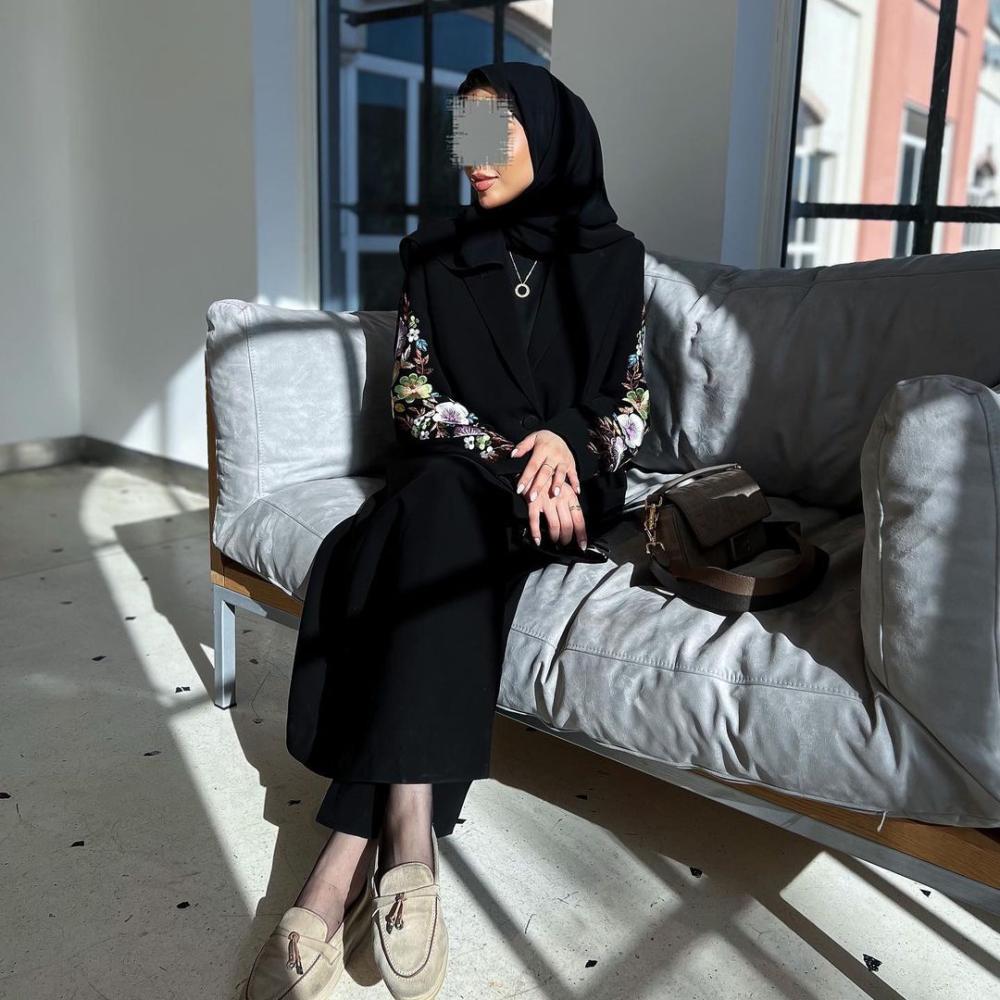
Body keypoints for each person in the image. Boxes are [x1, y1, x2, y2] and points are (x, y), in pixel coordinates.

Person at [243, 61, 649, 1000]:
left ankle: (336, 866)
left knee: (422, 525)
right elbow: (416, 399)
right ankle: (408, 841)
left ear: (551, 137)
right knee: (433, 508)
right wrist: (519, 455)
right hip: (467, 475)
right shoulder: (435, 254)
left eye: (495, 133)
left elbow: (628, 406)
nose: (474, 157)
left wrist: (566, 447)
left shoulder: (617, 259)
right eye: (463, 135)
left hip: (564, 493)